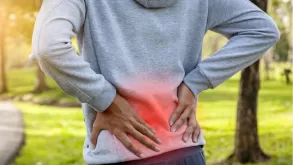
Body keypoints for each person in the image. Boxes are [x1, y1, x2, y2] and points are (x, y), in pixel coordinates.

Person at [30, 0, 280, 164]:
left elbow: (48, 47)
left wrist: (105, 99)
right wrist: (196, 82)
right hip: (185, 151)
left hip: (119, 150)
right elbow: (263, 30)